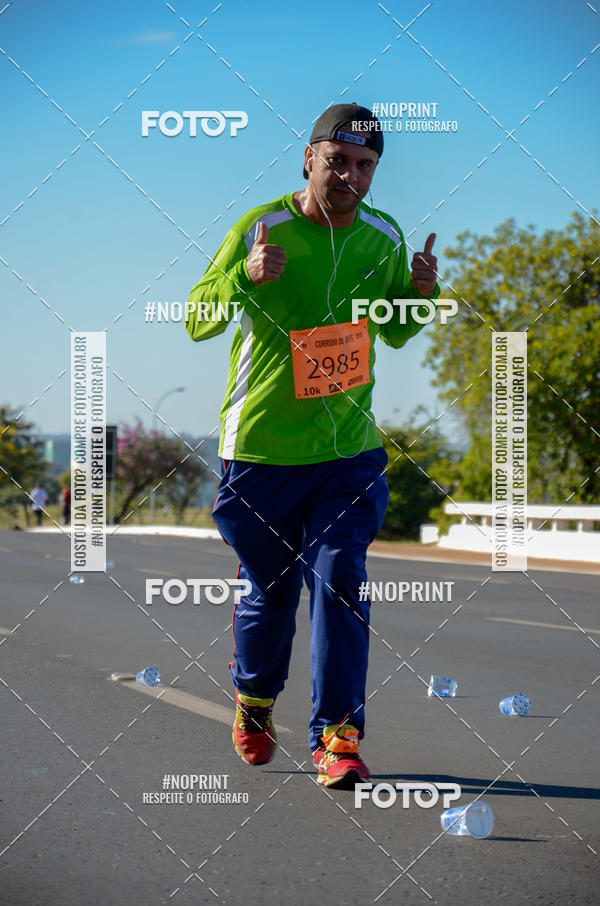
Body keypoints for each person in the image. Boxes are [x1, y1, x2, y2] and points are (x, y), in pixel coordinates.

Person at [186, 102, 440, 788]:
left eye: (365, 166)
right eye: (338, 162)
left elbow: (392, 329)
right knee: (270, 597)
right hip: (262, 452)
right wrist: (243, 276)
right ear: (308, 158)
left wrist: (416, 299)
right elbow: (195, 320)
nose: (350, 176)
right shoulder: (261, 225)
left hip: (347, 451)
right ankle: (255, 698)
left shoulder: (384, 235)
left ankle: (338, 736)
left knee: (341, 584)